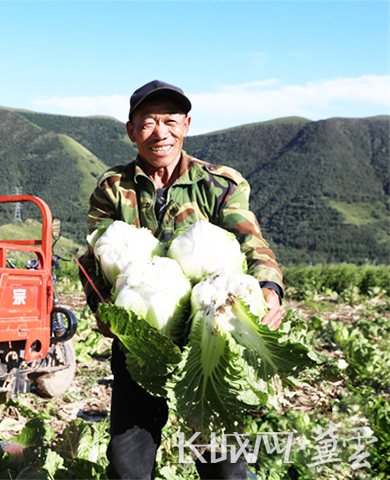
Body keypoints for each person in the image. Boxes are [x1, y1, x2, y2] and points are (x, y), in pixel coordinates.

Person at [78, 80, 285, 479]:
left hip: (210, 345)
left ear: (186, 125)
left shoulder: (220, 183)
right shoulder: (112, 189)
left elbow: (251, 243)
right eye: (148, 122)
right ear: (131, 129)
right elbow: (94, 260)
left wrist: (268, 287)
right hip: (141, 348)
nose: (160, 132)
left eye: (170, 121)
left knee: (222, 468)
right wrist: (102, 308)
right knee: (127, 467)